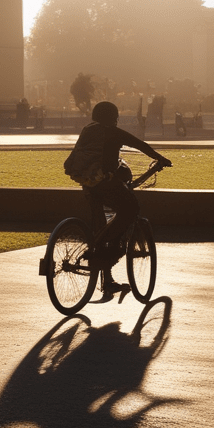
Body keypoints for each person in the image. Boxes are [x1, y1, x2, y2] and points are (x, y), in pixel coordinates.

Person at [67, 101, 172, 294]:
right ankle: (99, 246)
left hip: (89, 183)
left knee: (102, 225)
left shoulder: (88, 130)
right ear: (112, 118)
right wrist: (161, 159)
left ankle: (107, 279)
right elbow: (140, 145)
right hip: (106, 183)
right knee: (130, 209)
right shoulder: (113, 133)